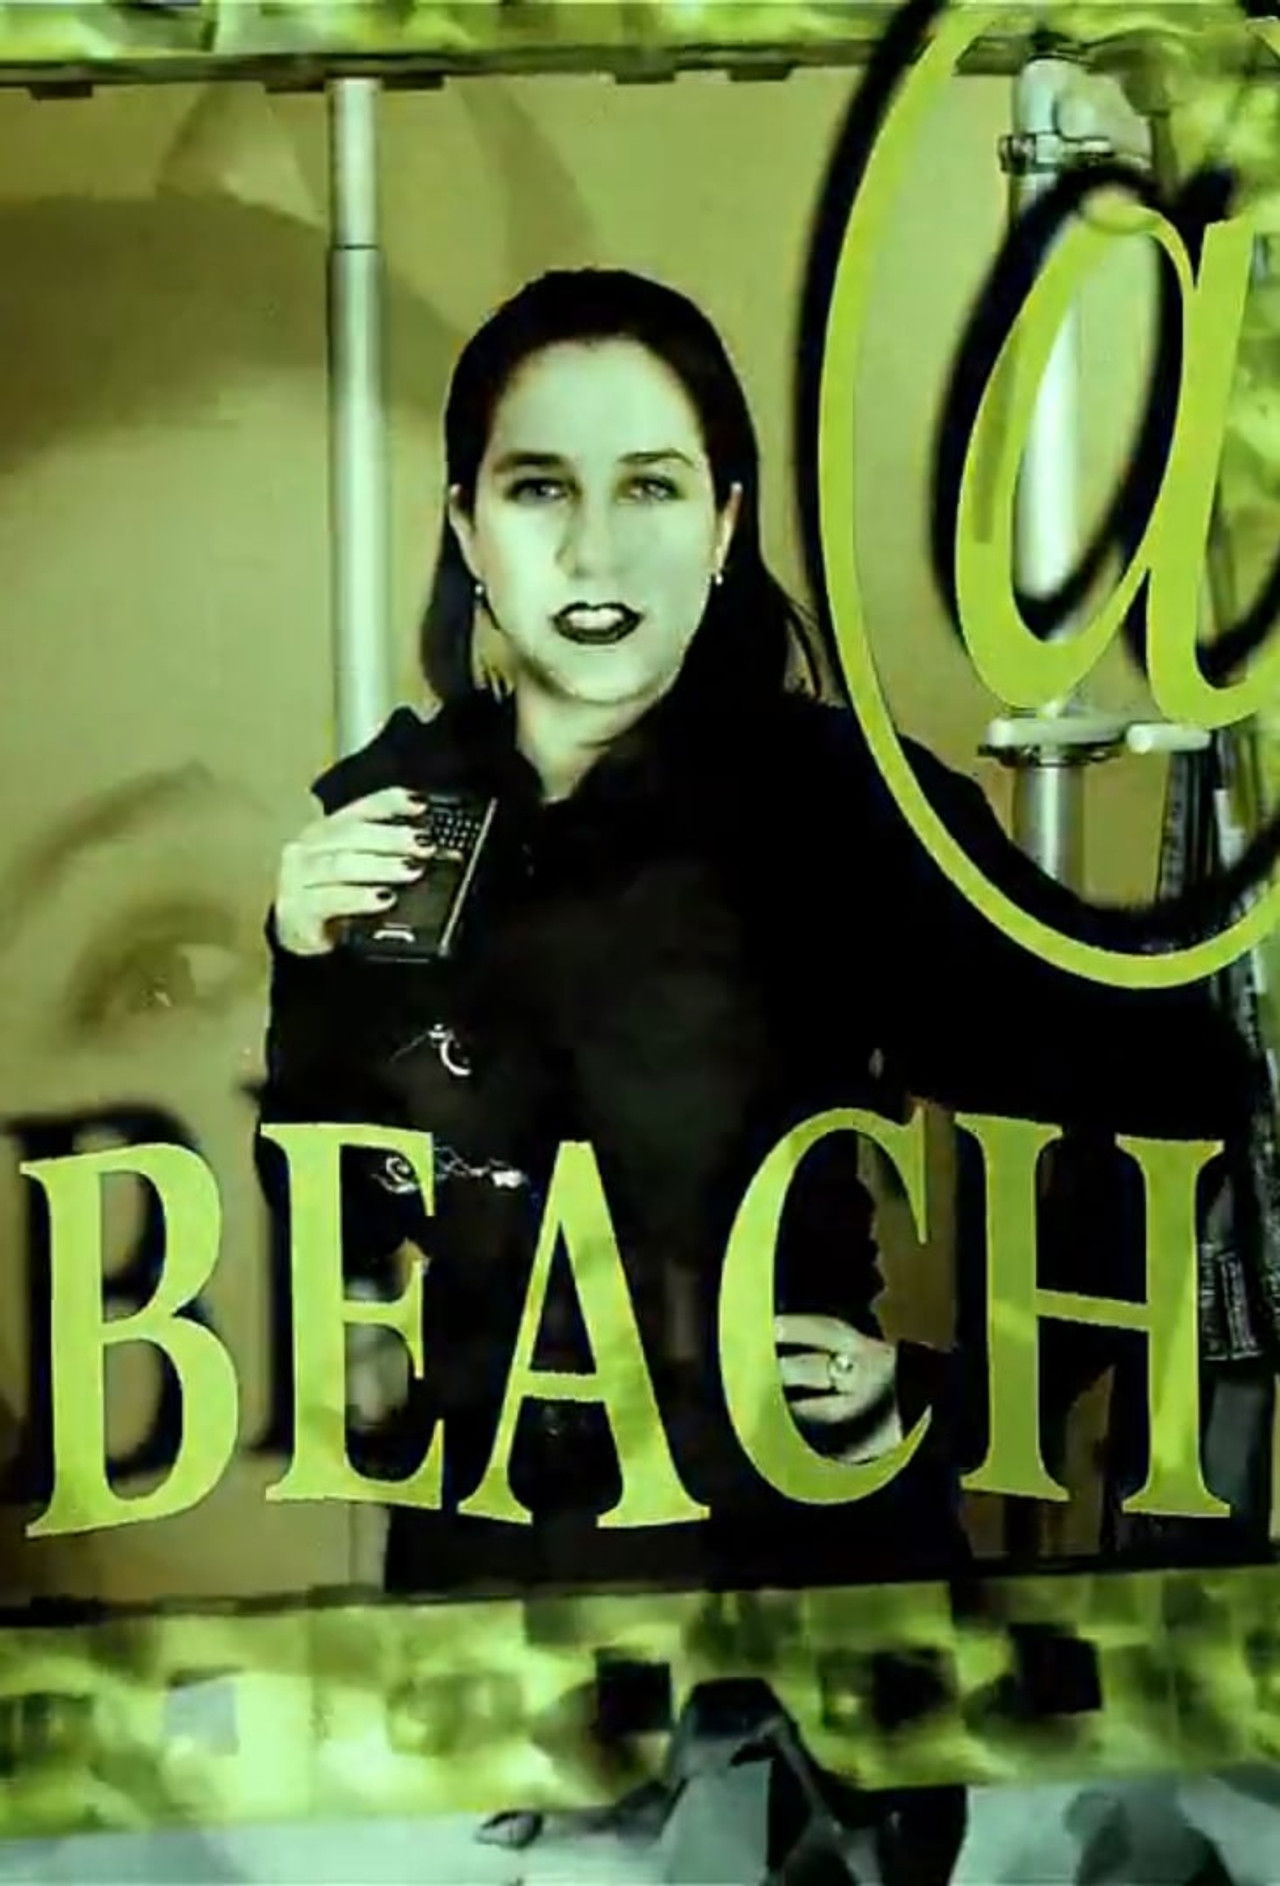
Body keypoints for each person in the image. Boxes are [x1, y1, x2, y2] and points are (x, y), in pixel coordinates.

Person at [255, 267, 1255, 1607]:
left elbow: (1172, 1078)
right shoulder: (394, 815)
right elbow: (348, 1229)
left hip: (789, 1574)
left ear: (724, 524)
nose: (596, 552)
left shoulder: (840, 809)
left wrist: (955, 1389)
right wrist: (307, 969)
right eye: (540, 488)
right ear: (467, 528)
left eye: (651, 489)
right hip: (494, 1576)